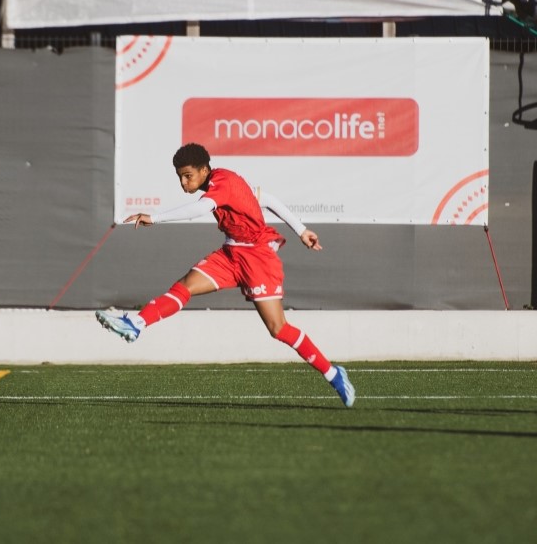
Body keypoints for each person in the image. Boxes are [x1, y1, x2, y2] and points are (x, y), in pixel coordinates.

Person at [95, 142, 355, 407]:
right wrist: (301, 230)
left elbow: (201, 208)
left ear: (204, 170)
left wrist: (155, 217)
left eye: (188, 176)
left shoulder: (223, 182)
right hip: (231, 253)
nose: (183, 183)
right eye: (180, 177)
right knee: (185, 285)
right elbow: (266, 199)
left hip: (258, 258)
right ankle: (136, 324)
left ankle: (333, 374)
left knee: (278, 328)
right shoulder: (221, 183)